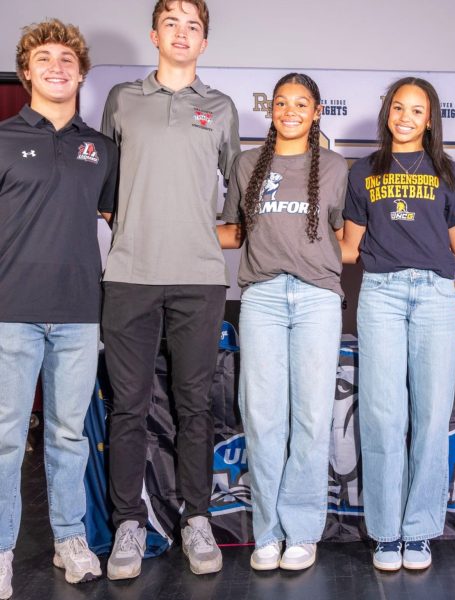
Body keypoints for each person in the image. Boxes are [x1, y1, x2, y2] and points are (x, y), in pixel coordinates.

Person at [101, 0, 240, 579]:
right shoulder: (122, 100)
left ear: (204, 42)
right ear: (154, 34)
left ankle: (196, 519)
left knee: (194, 406)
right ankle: (128, 524)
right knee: (128, 407)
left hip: (199, 280)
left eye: (193, 26)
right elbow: (106, 190)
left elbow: (237, 196)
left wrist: (197, 233)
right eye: (172, 23)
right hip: (129, 276)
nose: (182, 34)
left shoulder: (221, 108)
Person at [0, 19, 118, 596]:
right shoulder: (2, 138)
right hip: (10, 312)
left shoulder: (101, 149)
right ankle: (1, 549)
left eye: (67, 60)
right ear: (26, 72)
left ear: (81, 74)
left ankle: (70, 539)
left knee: (69, 436)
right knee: (5, 437)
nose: (56, 67)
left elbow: (118, 222)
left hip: (79, 312)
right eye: (44, 59)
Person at [339, 77, 455, 571]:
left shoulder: (448, 172)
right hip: (381, 293)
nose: (406, 117)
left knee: (432, 416)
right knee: (382, 416)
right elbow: (349, 248)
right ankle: (386, 533)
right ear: (387, 113)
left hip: (435, 295)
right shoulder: (363, 171)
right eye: (399, 107)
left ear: (430, 119)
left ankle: (418, 532)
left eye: (417, 110)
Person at [218, 73, 347, 572]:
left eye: (300, 104)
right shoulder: (246, 163)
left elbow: (346, 239)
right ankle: (268, 533)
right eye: (280, 103)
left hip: (316, 298)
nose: (289, 111)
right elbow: (234, 232)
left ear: (317, 112)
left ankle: (303, 531)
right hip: (263, 296)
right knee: (263, 417)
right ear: (270, 110)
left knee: (311, 418)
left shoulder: (335, 166)